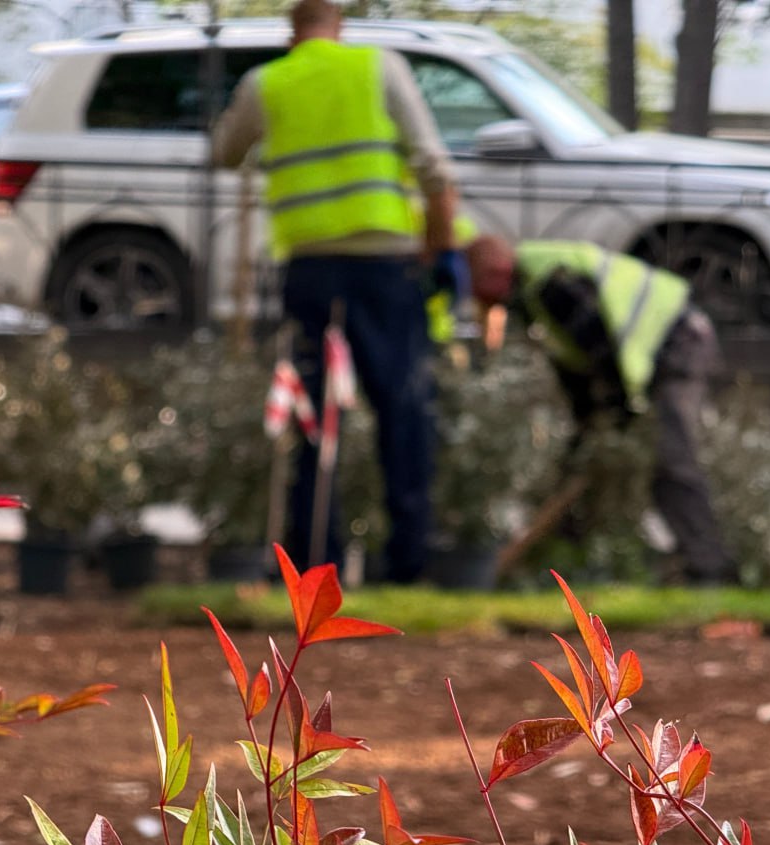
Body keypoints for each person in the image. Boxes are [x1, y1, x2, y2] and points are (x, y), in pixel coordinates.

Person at [213, 0, 465, 582]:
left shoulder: (266, 82)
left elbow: (224, 153)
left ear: (292, 31)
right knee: (402, 408)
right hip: (385, 267)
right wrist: (440, 252)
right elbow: (435, 170)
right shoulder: (379, 68)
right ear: (340, 26)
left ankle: (312, 565)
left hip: (310, 271)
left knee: (313, 416)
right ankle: (408, 563)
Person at [467, 234, 740, 586]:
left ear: (495, 269)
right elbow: (578, 367)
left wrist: (616, 412)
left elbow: (602, 347)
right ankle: (560, 564)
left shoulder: (552, 282)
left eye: (476, 285)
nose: (477, 298)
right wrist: (590, 428)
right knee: (583, 463)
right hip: (659, 348)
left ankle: (711, 572)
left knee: (672, 460)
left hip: (677, 342)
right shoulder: (534, 291)